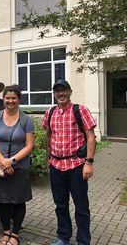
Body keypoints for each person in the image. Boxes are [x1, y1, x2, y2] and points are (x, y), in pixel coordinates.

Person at [42, 80, 96, 245]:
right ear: (54, 94)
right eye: (57, 91)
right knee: (60, 205)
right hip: (56, 166)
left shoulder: (80, 110)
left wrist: (89, 162)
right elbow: (48, 137)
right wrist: (48, 160)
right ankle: (63, 236)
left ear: (70, 92)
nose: (61, 94)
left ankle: (83, 240)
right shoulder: (50, 112)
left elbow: (91, 137)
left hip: (76, 166)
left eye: (64, 90)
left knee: (81, 207)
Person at [0, 85, 35, 245]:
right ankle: (6, 231)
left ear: (19, 99)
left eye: (14, 98)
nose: (10, 101)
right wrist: (3, 161)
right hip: (0, 166)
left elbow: (29, 145)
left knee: (19, 201)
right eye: (7, 98)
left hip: (20, 167)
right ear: (3, 99)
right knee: (3, 200)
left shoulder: (26, 120)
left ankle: (15, 234)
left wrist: (12, 161)